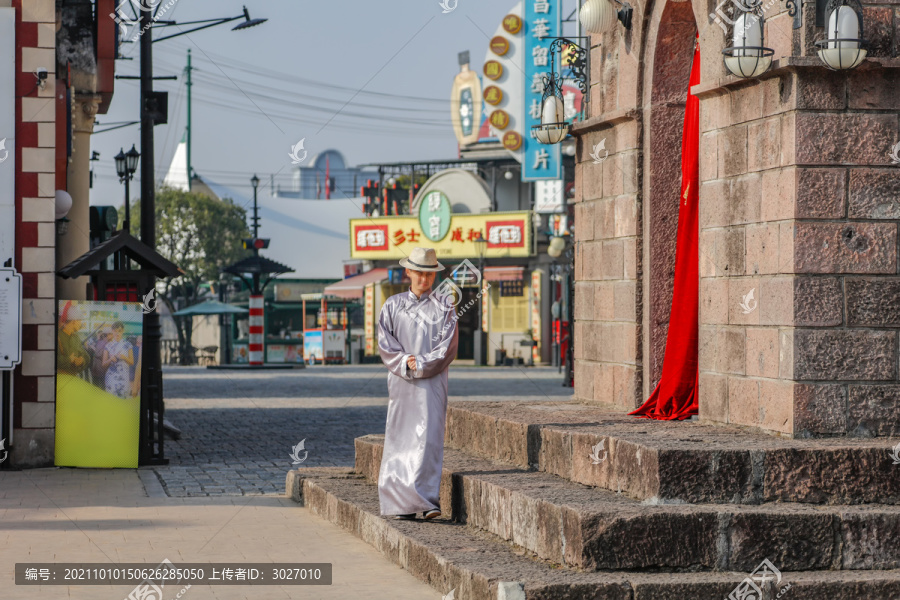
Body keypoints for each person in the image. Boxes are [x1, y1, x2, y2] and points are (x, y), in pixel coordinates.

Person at [377, 247, 459, 521]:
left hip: (432, 381)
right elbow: (385, 343)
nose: (425, 279)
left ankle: (427, 501)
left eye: (430, 274)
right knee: (400, 437)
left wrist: (421, 364)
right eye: (420, 272)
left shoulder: (445, 306)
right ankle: (400, 502)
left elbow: (447, 348)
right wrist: (404, 361)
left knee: (429, 438)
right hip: (401, 382)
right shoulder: (391, 305)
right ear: (408, 272)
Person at [101, 321, 135, 398]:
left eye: (119, 331)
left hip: (124, 378)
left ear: (122, 331)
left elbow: (132, 362)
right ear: (112, 331)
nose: (117, 333)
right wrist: (110, 359)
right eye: (115, 331)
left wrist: (124, 357)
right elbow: (103, 364)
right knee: (111, 400)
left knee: (123, 400)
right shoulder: (108, 346)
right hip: (111, 378)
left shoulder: (128, 345)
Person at [57, 301, 89, 376]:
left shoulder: (76, 338)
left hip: (73, 378)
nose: (81, 323)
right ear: (74, 321)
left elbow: (87, 356)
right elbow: (51, 359)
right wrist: (69, 360)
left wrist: (82, 360)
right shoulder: (57, 335)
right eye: (80, 321)